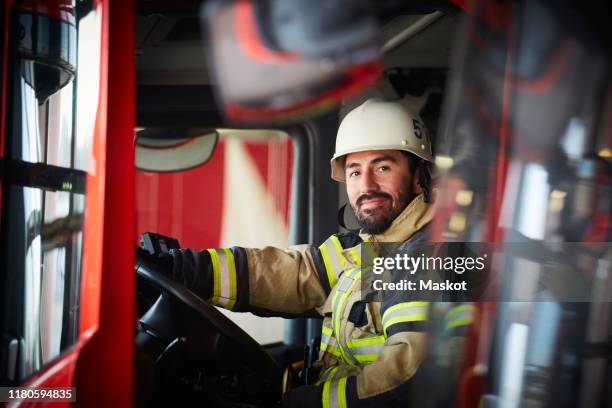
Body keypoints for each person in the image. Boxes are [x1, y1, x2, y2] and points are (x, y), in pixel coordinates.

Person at [164, 98, 436, 407]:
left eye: (383, 167)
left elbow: (409, 379)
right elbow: (292, 272)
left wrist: (307, 402)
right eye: (355, 172)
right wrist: (185, 268)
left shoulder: (431, 256)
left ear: (418, 177)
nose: (367, 186)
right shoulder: (369, 247)